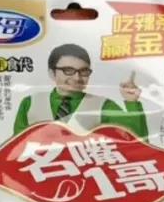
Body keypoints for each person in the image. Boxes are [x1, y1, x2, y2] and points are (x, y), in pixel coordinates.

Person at [13, 43, 149, 138]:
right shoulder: (30, 103)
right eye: (68, 70)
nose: (77, 78)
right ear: (52, 73)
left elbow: (136, 140)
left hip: (86, 168)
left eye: (83, 71)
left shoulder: (103, 105)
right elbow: (15, 147)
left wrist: (132, 102)